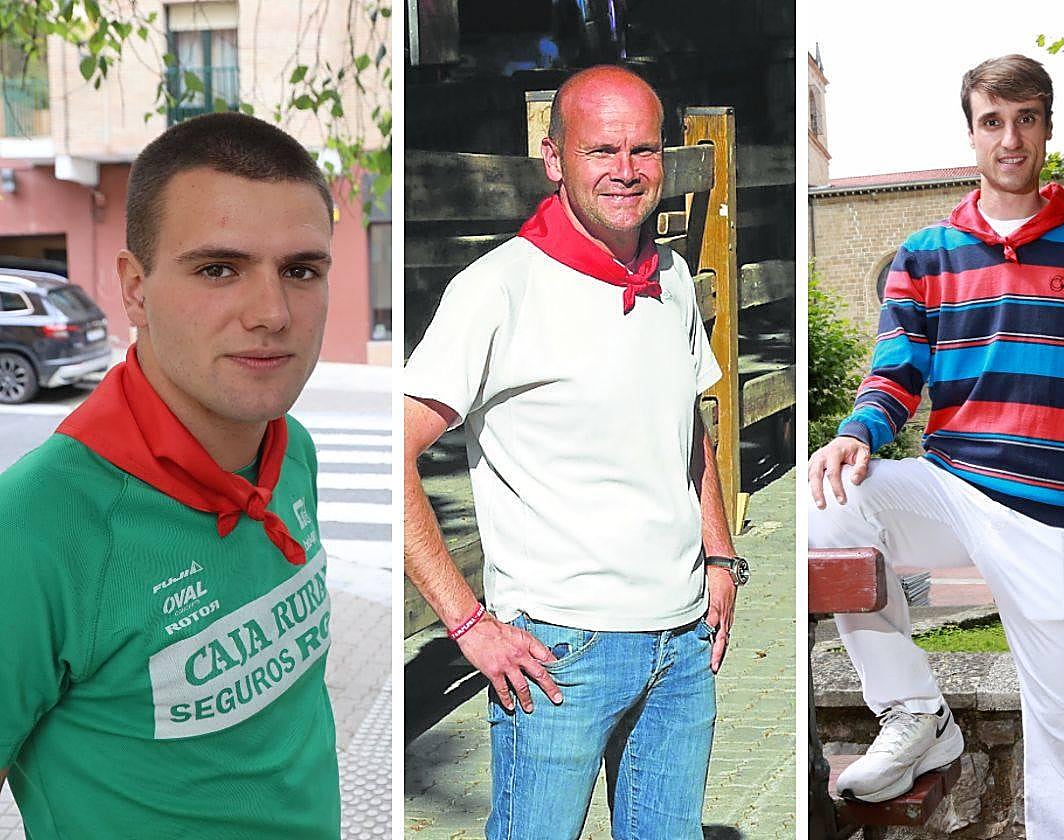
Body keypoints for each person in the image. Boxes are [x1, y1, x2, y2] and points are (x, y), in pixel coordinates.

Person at [808, 54, 1064, 840]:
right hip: (953, 485)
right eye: (993, 122)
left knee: (1062, 731)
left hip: (1052, 515)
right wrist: (856, 432)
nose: (1010, 139)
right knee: (826, 496)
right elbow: (895, 373)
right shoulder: (927, 252)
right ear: (971, 133)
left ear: (1046, 128)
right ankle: (916, 713)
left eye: (1026, 119)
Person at [404, 64, 747, 839]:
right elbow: (393, 455)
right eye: (601, 150)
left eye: (643, 149)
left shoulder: (672, 276)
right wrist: (467, 624)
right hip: (560, 652)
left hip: (683, 646)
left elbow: (687, 423)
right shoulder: (498, 290)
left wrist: (721, 556)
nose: (626, 170)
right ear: (554, 158)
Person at [0, 113, 339, 838]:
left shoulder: (291, 450)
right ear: (134, 290)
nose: (273, 313)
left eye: (301, 270)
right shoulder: (36, 525)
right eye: (218, 269)